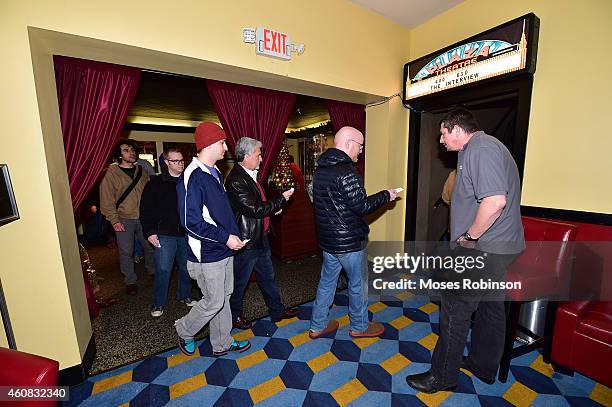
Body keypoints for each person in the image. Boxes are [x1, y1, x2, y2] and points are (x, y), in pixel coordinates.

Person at [406, 108, 525, 393]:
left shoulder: (480, 149)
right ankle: (483, 365)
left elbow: (495, 201)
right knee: (490, 306)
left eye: (443, 134)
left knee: (455, 308)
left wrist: (470, 237)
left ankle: (442, 376)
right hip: (499, 247)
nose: (441, 141)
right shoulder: (481, 148)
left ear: (457, 130)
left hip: (483, 248)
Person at [309, 126, 398, 339]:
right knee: (358, 285)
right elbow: (362, 207)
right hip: (350, 243)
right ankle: (359, 326)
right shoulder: (347, 171)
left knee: (326, 283)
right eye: (360, 146)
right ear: (349, 143)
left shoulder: (320, 169)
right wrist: (386, 195)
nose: (361, 151)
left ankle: (317, 325)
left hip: (329, 241)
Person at [174, 122, 250, 357]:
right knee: (214, 300)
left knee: (223, 299)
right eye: (222, 143)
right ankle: (184, 329)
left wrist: (233, 236)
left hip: (223, 249)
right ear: (208, 144)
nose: (226, 148)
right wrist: (226, 237)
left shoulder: (214, 171)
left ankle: (222, 343)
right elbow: (191, 222)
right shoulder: (192, 177)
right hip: (206, 254)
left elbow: (218, 213)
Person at [225, 137, 298, 329]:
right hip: (247, 241)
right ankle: (234, 316)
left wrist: (273, 209)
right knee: (240, 283)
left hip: (260, 237)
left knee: (268, 277)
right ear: (247, 156)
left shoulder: (251, 174)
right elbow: (254, 209)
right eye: (258, 154)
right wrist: (281, 199)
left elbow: (259, 205)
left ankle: (277, 310)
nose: (262, 158)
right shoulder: (236, 179)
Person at [140, 148, 197, 318]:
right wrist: (150, 231)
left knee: (187, 268)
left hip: (186, 232)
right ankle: (158, 303)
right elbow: (145, 210)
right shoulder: (155, 183)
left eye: (181, 160)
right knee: (163, 269)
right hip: (164, 233)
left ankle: (185, 295)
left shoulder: (188, 181)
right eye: (176, 161)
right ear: (166, 162)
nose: (180, 164)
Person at [100, 139, 155, 295]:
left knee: (149, 247)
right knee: (126, 251)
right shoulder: (111, 174)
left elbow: (149, 195)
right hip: (123, 218)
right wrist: (114, 220)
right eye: (126, 150)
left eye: (132, 149)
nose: (131, 152)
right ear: (119, 155)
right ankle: (130, 280)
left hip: (143, 217)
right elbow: (106, 199)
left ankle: (153, 270)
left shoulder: (142, 172)